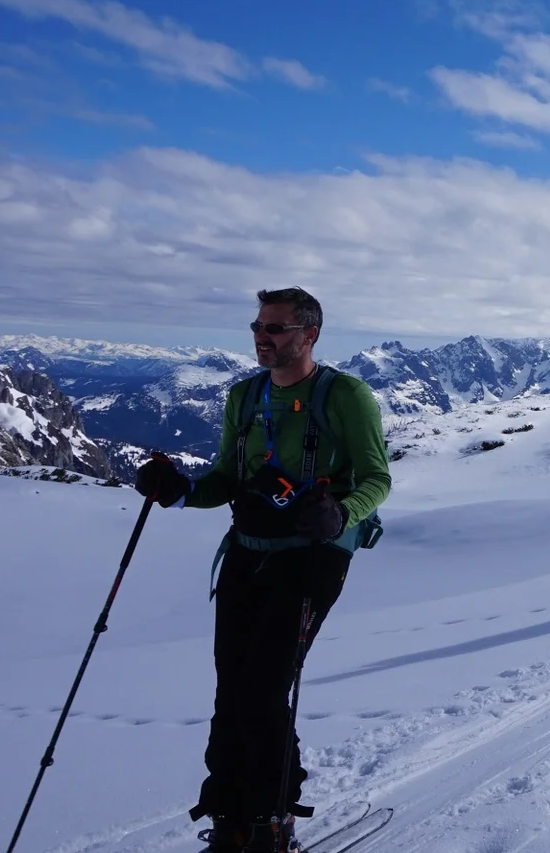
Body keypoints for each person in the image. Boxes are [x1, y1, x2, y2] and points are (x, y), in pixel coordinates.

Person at [132, 288, 392, 853]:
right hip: (247, 549)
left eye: (275, 328)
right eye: (258, 326)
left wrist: (341, 512)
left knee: (264, 689)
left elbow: (379, 478)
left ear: (310, 334)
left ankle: (271, 824)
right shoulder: (243, 397)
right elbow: (226, 476)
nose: (261, 337)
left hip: (313, 556)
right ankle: (230, 818)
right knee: (233, 690)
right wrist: (179, 492)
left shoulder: (347, 396)